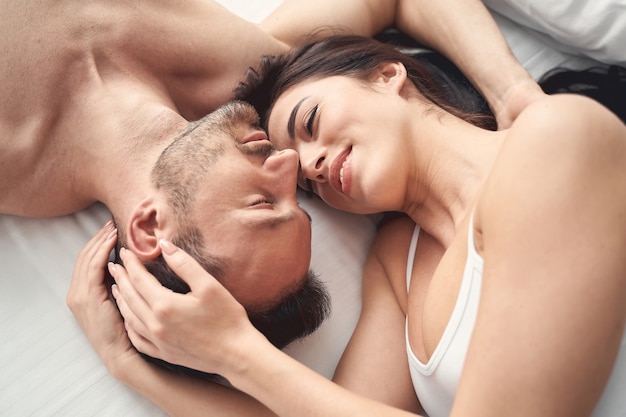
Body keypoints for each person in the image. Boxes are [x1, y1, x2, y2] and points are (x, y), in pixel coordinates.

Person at [94, 35, 626, 417]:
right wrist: (128, 364)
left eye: (309, 123)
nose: (309, 165)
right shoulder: (397, 263)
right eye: (306, 185)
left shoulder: (559, 139)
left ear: (386, 74)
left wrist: (238, 352)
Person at [1, 0, 544, 356]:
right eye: (293, 197)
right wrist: (513, 94)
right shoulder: (247, 80)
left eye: (264, 202)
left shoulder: (14, 162)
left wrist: (127, 363)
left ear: (149, 228)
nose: (290, 164)